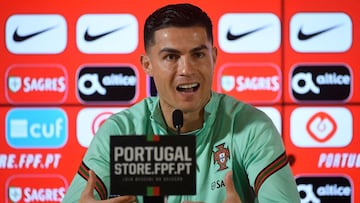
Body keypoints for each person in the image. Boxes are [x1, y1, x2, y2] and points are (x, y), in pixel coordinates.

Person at [62, 3, 300, 203]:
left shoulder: (251, 127)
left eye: (198, 54)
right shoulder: (121, 131)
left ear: (214, 57)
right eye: (171, 57)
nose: (187, 70)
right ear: (147, 65)